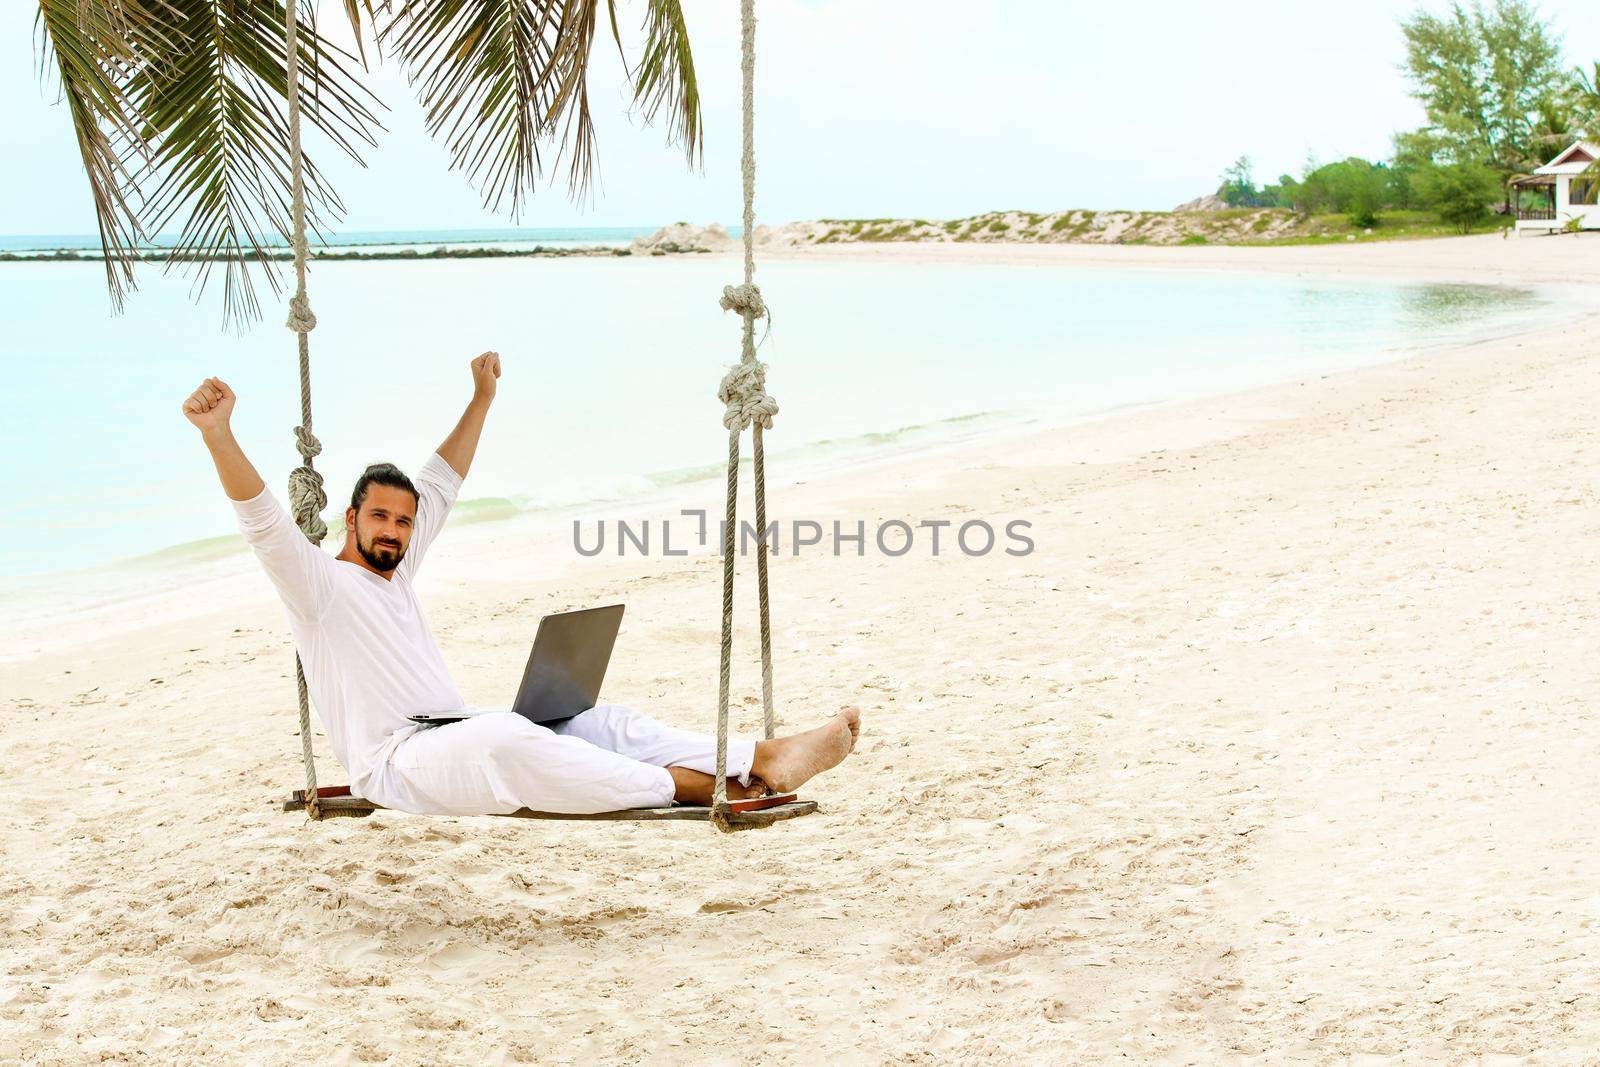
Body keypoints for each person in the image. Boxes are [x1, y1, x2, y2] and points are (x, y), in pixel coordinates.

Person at [182, 352, 860, 815]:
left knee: (596, 720)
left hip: (456, 729)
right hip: (398, 762)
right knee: (512, 742)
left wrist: (481, 398)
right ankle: (700, 786)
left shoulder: (399, 573)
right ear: (351, 518)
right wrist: (219, 435)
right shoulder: (318, 588)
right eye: (380, 517)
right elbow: (265, 522)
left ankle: (761, 756)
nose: (394, 531)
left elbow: (442, 482)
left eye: (402, 520)